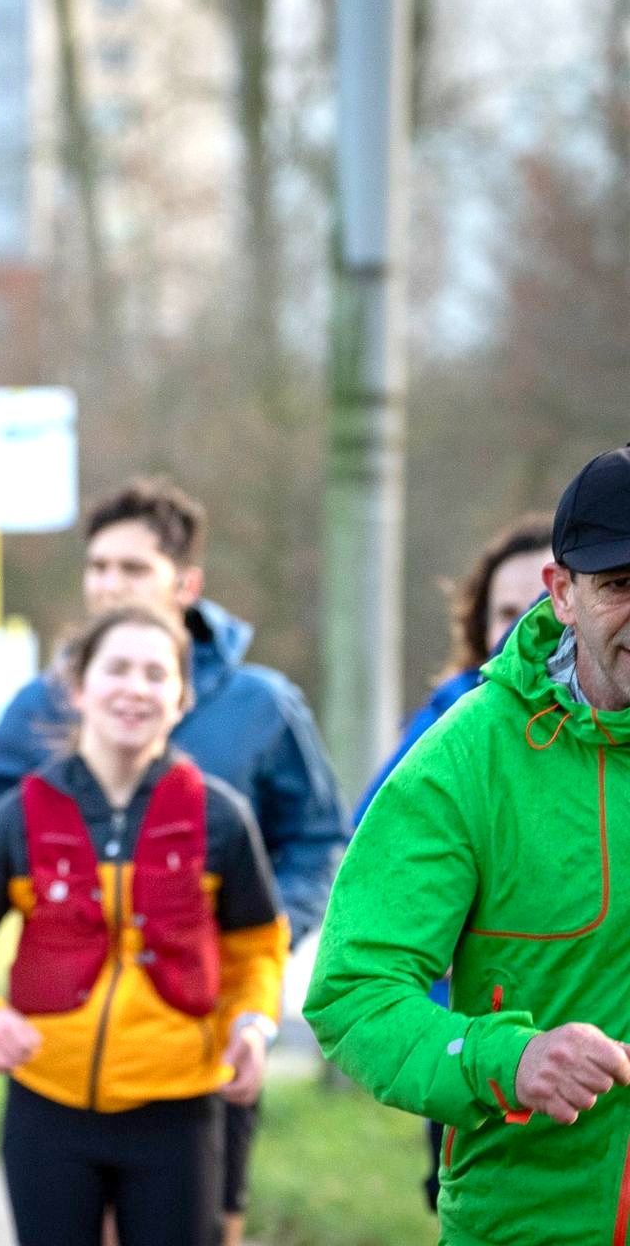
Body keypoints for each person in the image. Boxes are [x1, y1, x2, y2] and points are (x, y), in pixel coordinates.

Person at [0, 477, 344, 1243]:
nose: (110, 585)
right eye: (98, 566)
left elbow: (317, 837)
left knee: (214, 1226)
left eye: (133, 569)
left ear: (187, 584)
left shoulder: (262, 705)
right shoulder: (41, 705)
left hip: (200, 1033)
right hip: (69, 1045)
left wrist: (268, 927)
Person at [305, 443, 630, 1245]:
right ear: (561, 594)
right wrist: (503, 1059)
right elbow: (354, 992)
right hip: (532, 1225)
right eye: (621, 587)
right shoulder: (464, 760)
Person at [0, 605, 288, 1246]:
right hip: (47, 1112)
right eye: (118, 669)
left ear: (182, 696)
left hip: (181, 1112)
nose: (135, 687)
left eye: (155, 673)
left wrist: (254, 1022)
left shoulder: (222, 819)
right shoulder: (18, 818)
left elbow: (258, 953)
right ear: (79, 687)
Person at [344, 514, 551, 1212]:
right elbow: (380, 878)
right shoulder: (449, 725)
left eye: (541, 603)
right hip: (469, 1044)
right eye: (505, 609)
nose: (524, 623)